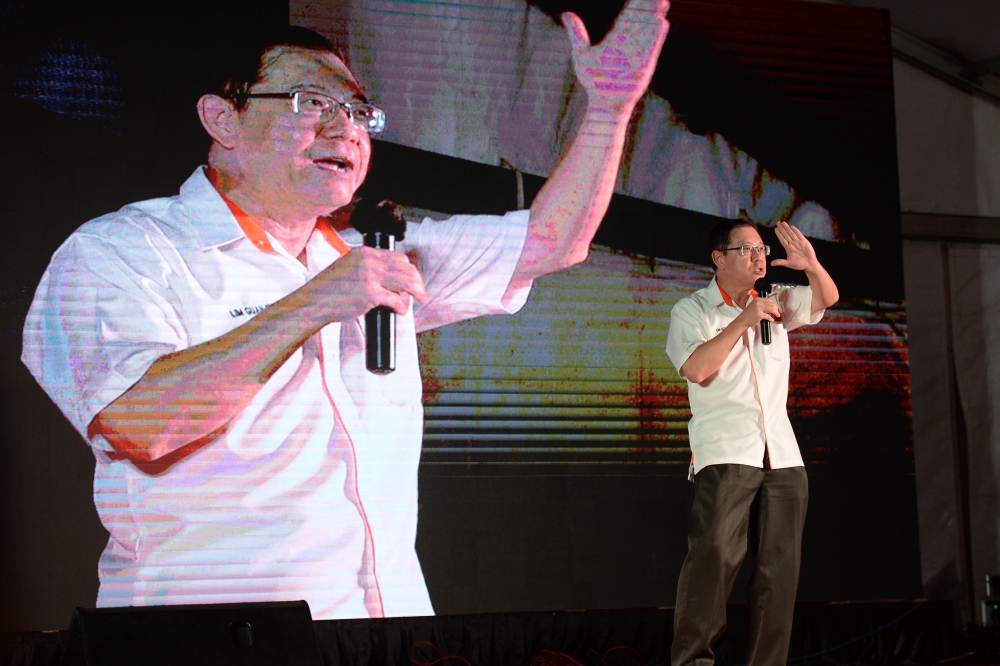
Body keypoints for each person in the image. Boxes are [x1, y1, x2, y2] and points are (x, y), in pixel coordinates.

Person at [21, 4, 669, 619]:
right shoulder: (124, 251)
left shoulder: (372, 254)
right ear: (222, 119)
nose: (345, 129)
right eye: (311, 103)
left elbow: (552, 241)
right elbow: (141, 425)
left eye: (359, 112)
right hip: (213, 637)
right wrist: (315, 302)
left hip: (381, 631)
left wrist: (609, 110)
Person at [665, 219, 839, 665]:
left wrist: (811, 265)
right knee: (713, 563)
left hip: (782, 454)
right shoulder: (693, 310)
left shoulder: (776, 300)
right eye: (747, 249)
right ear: (719, 258)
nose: (759, 257)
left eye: (762, 249)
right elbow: (697, 369)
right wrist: (743, 319)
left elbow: (826, 297)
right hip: (727, 452)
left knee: (777, 576)